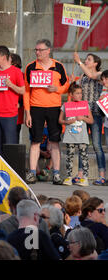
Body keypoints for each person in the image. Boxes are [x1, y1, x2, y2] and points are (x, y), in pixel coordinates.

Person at [24, 39, 69, 185]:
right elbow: (26, 91)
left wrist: (57, 89)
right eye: (36, 50)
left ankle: (56, 173)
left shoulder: (58, 66)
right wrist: (27, 113)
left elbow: (67, 85)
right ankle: (32, 173)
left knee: (55, 141)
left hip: (54, 108)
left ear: (48, 50)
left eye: (40, 50)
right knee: (35, 141)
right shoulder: (30, 67)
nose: (37, 52)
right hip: (36, 107)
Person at [73, 52, 105, 186]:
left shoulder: (100, 74)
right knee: (82, 144)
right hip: (83, 112)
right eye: (85, 59)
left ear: (95, 63)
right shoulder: (83, 75)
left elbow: (92, 75)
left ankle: (101, 175)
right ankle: (80, 174)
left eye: (89, 59)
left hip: (96, 113)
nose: (86, 61)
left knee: (97, 145)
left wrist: (79, 62)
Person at [0, 45, 25, 155]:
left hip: (9, 114)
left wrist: (11, 85)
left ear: (3, 57)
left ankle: (9, 171)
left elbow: (22, 90)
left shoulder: (16, 71)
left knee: (10, 146)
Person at [59, 82, 93, 187]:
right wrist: (66, 122)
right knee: (70, 156)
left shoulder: (85, 105)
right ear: (71, 94)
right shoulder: (66, 105)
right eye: (77, 93)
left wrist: (83, 118)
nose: (80, 95)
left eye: (80, 93)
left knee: (84, 156)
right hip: (70, 136)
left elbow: (91, 120)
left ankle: (85, 178)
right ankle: (69, 177)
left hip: (82, 136)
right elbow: (60, 120)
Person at [10, 53, 24, 142]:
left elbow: (26, 92)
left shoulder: (22, 75)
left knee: (14, 137)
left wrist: (20, 103)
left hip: (16, 109)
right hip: (6, 109)